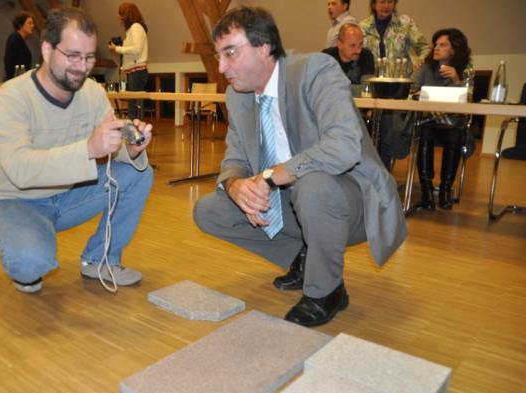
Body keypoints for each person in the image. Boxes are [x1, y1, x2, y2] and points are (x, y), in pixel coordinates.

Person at [193, 7, 407, 327]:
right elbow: (234, 160)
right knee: (209, 210)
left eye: (230, 53)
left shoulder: (315, 70)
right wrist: (236, 186)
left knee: (313, 185)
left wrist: (268, 177)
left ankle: (326, 291)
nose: (221, 66)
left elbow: (343, 146)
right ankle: (304, 258)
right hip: (294, 202)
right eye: (218, 55)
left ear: (264, 47)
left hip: (351, 201)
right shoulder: (237, 97)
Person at [0, 7, 154, 294]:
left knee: (138, 173)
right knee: (31, 264)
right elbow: (20, 169)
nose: (82, 66)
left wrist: (130, 150)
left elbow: (112, 147)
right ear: (47, 50)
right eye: (72, 55)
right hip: (14, 200)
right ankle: (29, 244)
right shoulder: (12, 97)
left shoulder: (92, 93)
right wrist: (89, 148)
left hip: (66, 196)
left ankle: (100, 259)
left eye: (89, 57)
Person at [360, 0, 431, 170]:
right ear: (374, 4)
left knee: (390, 126)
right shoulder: (363, 27)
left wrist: (421, 61)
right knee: (374, 128)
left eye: (390, 1)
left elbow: (426, 47)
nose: (386, 6)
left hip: (399, 87)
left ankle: (384, 171)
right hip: (375, 87)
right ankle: (374, 170)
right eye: (382, 2)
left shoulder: (405, 23)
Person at [411, 28, 472, 210]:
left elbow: (469, 102)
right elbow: (411, 88)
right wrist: (419, 93)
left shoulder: (465, 71)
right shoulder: (426, 68)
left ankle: (445, 190)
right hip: (427, 122)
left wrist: (457, 81)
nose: (436, 48)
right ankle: (427, 191)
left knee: (454, 136)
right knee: (424, 133)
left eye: (442, 45)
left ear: (454, 50)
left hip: (452, 125)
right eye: (436, 44)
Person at [108, 2, 149, 119]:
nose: (119, 17)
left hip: (137, 71)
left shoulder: (136, 27)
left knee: (134, 105)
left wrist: (117, 48)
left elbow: (136, 49)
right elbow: (134, 48)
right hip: (135, 71)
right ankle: (135, 126)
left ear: (128, 14)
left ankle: (135, 127)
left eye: (121, 14)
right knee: (134, 103)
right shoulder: (134, 28)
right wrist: (120, 46)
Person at [3, 11, 35, 81]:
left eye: (32, 23)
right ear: (20, 25)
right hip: (14, 81)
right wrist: (12, 81)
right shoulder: (15, 38)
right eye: (29, 23)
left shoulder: (20, 39)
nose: (33, 25)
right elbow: (8, 62)